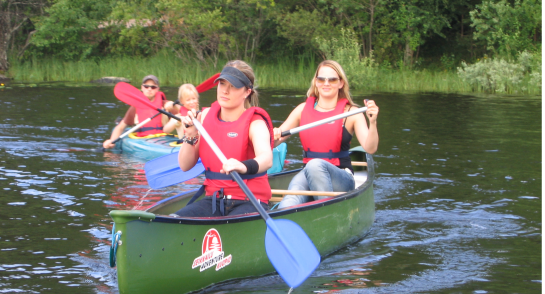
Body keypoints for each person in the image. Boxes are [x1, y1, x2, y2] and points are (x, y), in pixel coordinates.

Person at [273, 60, 379, 209]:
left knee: (315, 164)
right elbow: (273, 143)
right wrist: (274, 134)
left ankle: (326, 213)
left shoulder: (352, 113)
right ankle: (283, 222)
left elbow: (370, 148)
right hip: (309, 172)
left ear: (341, 83)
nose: (326, 83)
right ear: (316, 82)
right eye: (321, 79)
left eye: (332, 79)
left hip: (341, 177)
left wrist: (373, 122)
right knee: (289, 201)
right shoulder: (302, 109)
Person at [174, 60, 274, 217]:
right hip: (214, 200)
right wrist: (191, 134)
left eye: (233, 86)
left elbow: (267, 159)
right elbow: (185, 165)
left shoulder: (255, 122)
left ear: (247, 92)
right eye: (222, 84)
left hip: (250, 200)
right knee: (176, 220)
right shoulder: (204, 117)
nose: (225, 91)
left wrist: (242, 166)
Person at [102, 75, 175, 149]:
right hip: (143, 140)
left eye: (153, 87)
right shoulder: (135, 107)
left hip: (163, 140)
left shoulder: (165, 104)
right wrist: (111, 140)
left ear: (157, 89)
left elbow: (182, 111)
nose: (149, 89)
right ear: (142, 88)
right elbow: (121, 127)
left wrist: (173, 105)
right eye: (146, 86)